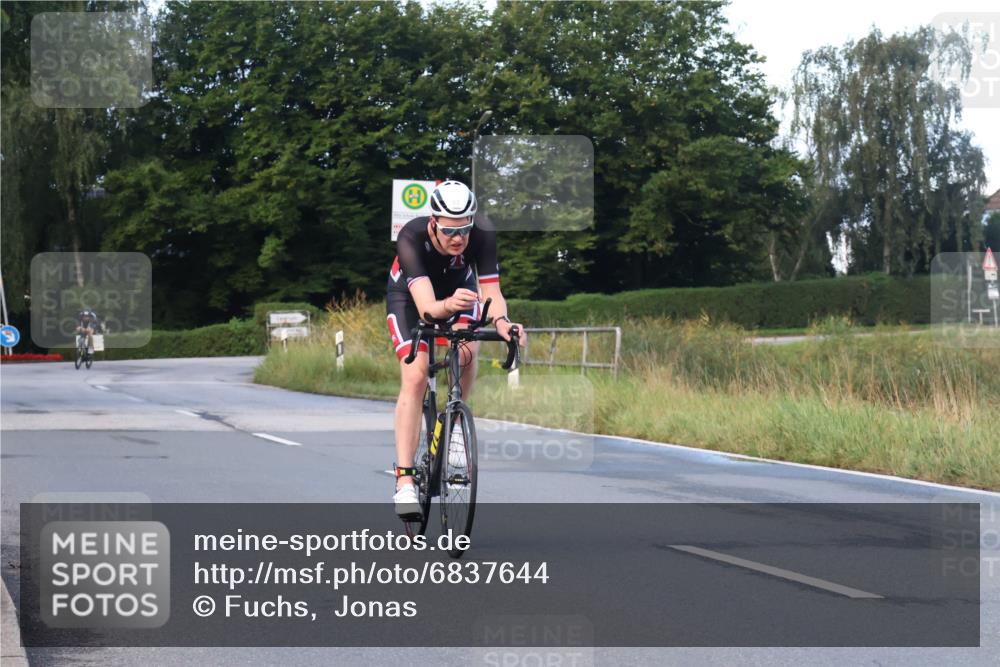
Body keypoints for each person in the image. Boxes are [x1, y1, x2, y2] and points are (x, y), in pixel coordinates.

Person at [386, 180, 526, 517]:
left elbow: (491, 290)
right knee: (417, 374)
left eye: (465, 229)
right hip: (411, 296)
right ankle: (405, 481)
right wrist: (448, 304)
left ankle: (455, 429)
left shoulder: (482, 233)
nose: (459, 238)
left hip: (460, 291)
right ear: (434, 222)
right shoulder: (411, 236)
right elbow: (428, 310)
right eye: (450, 231)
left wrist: (504, 324)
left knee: (466, 351)